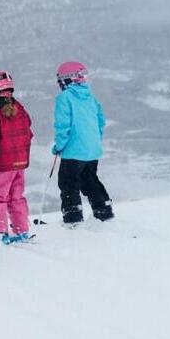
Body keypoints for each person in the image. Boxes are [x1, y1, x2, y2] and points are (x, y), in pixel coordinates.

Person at [52, 61, 113, 223]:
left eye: (60, 81)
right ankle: (104, 212)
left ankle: (73, 219)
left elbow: (63, 126)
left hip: (73, 151)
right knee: (90, 180)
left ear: (67, 80)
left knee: (68, 183)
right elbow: (100, 122)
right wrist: (93, 141)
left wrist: (59, 146)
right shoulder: (91, 97)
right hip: (92, 150)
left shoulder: (64, 98)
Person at [0, 71, 34, 244]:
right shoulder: (20, 109)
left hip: (2, 164)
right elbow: (29, 134)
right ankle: (22, 230)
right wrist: (22, 156)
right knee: (16, 197)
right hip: (20, 163)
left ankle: (0, 232)